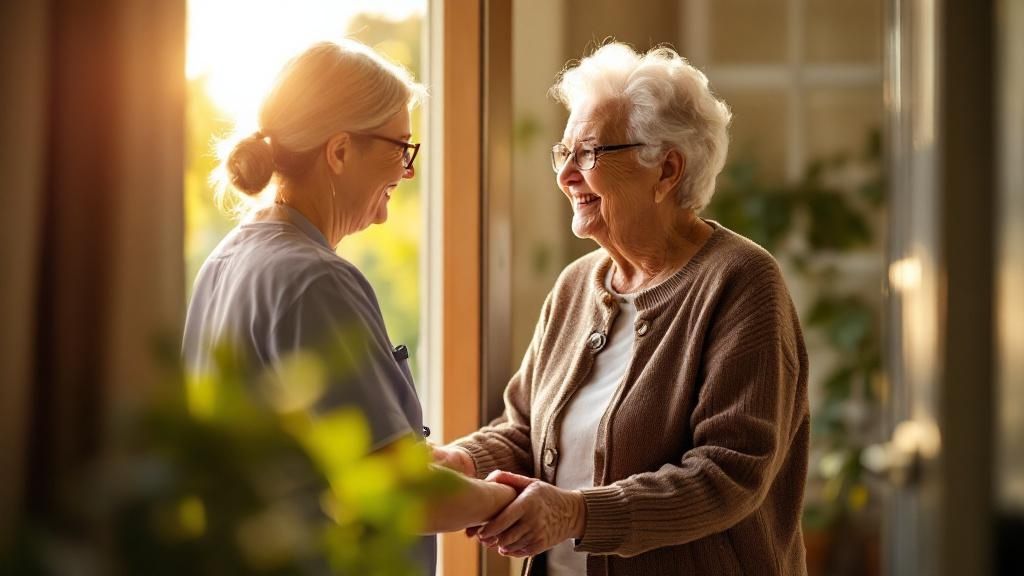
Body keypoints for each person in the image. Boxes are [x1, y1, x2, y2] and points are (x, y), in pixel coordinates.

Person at [433, 42, 810, 575]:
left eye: (588, 153)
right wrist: (460, 461)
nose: (566, 175)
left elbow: (729, 473)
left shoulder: (740, 281)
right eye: (562, 154)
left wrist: (577, 514)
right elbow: (524, 429)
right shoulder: (576, 286)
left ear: (666, 170)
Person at [182, 40, 514, 575]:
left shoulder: (226, 262)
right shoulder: (316, 280)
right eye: (400, 147)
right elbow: (394, 488)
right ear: (338, 151)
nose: (407, 172)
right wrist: (515, 505)